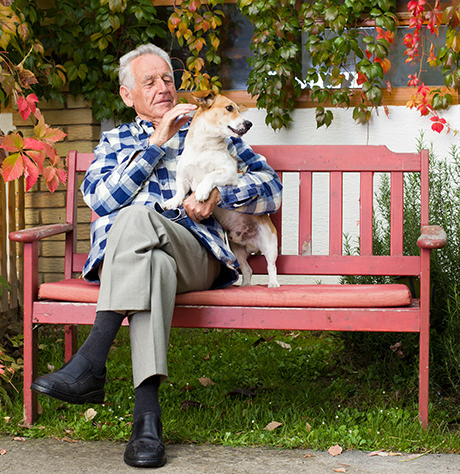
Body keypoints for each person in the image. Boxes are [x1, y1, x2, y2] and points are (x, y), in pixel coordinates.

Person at [30, 44, 282, 468]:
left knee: (136, 221)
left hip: (197, 252)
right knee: (148, 255)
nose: (163, 88)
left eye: (167, 78)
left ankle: (92, 361)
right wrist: (155, 144)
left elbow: (271, 186)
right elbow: (102, 198)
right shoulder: (115, 140)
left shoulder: (208, 126)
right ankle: (146, 422)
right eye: (149, 81)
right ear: (128, 95)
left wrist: (221, 193)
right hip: (140, 263)